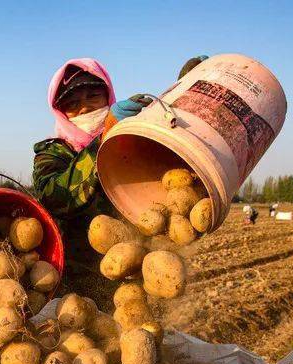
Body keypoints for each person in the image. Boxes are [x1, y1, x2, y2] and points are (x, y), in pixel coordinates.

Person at [29, 56, 207, 303]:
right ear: (60, 112)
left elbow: (173, 174)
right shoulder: (51, 153)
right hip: (72, 285)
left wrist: (187, 99)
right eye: (72, 103)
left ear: (108, 96)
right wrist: (104, 138)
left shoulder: (133, 139)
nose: (84, 108)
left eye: (93, 96)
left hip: (138, 276)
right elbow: (56, 199)